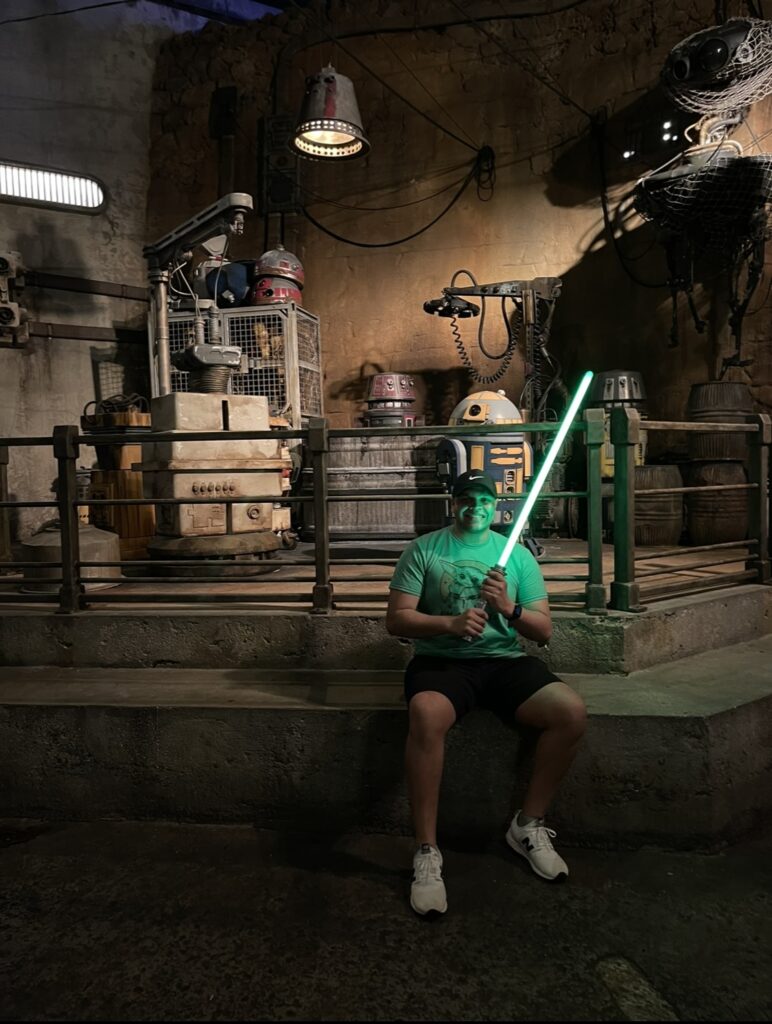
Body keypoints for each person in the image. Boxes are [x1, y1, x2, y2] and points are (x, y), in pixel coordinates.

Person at [386, 469, 587, 916]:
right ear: (452, 502)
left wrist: (508, 608)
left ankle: (527, 825)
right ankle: (426, 851)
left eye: (483, 499)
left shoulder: (515, 555)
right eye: (466, 498)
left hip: (503, 662)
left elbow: (544, 631)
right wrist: (449, 624)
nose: (474, 507)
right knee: (425, 713)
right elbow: (397, 619)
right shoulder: (424, 550)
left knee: (569, 712)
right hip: (442, 662)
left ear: (495, 505)